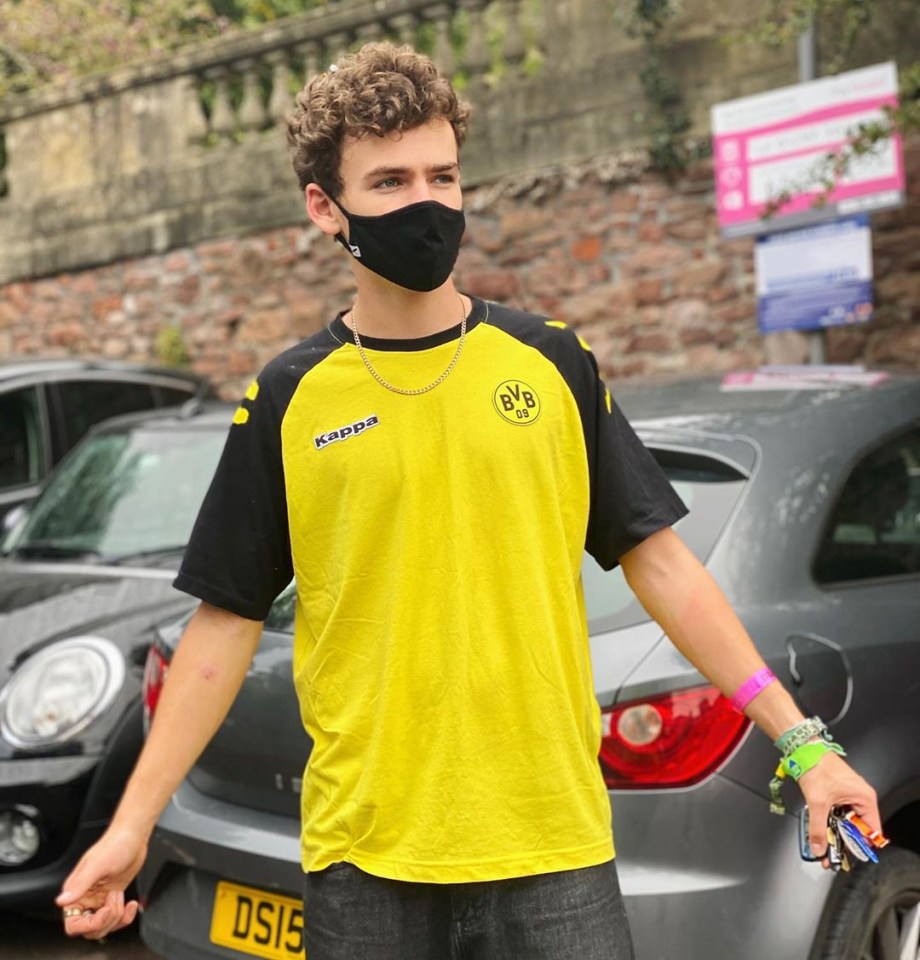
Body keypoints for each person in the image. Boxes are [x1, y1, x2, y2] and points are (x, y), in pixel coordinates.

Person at [58, 42, 880, 959]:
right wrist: (131, 827)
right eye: (391, 180)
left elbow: (663, 565)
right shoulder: (289, 397)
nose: (428, 202)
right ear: (325, 208)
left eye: (444, 174)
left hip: (553, 850)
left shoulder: (552, 362)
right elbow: (223, 624)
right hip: (367, 861)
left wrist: (804, 744)